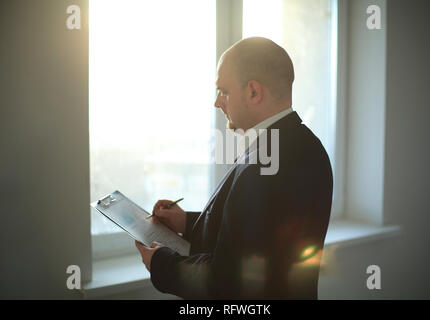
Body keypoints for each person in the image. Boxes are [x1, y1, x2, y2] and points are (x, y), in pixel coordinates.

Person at [135, 37, 333, 299]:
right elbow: (258, 232)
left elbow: (228, 282)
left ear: (253, 91)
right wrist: (187, 221)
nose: (217, 102)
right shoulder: (307, 146)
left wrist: (161, 262)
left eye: (223, 91)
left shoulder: (266, 164)